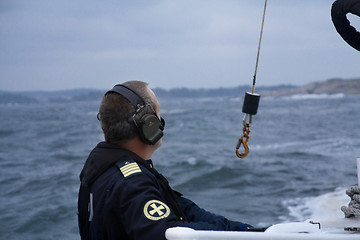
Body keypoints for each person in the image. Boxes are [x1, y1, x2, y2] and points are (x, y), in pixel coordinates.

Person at [78, 80, 253, 240]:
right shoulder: (132, 184)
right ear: (149, 125)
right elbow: (167, 234)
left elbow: (184, 209)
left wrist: (244, 231)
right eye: (157, 113)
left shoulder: (101, 171)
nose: (161, 119)